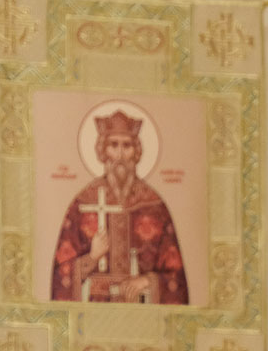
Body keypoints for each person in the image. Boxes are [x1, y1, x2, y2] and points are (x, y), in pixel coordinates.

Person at [51, 108, 189, 304]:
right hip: (96, 308)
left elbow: (175, 275)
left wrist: (147, 281)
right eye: (113, 145)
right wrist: (92, 257)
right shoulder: (83, 202)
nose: (121, 154)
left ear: (136, 151)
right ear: (103, 151)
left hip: (141, 308)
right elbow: (61, 274)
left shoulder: (154, 204)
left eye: (127, 146)